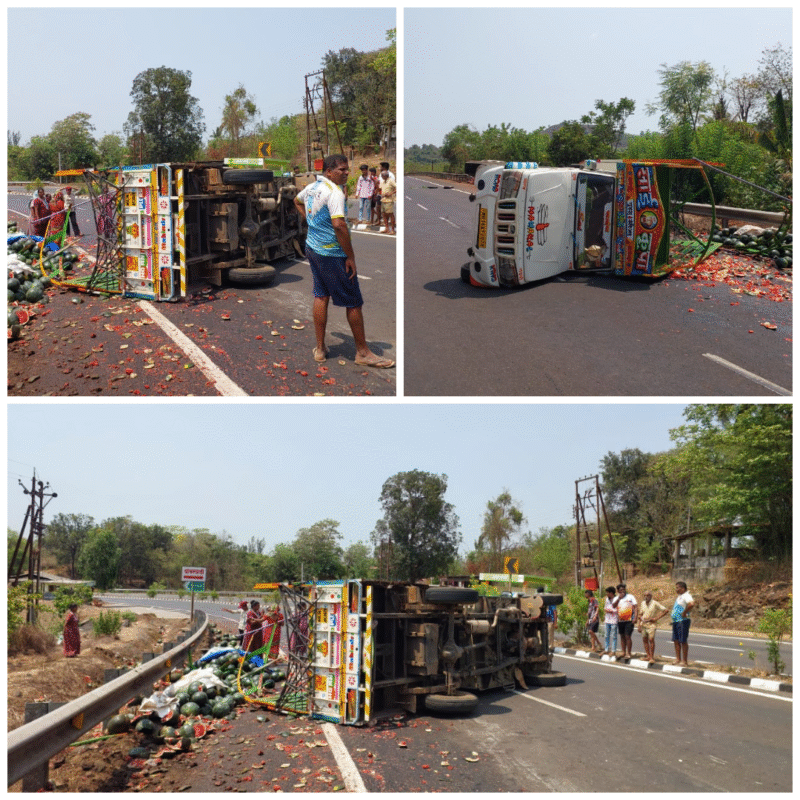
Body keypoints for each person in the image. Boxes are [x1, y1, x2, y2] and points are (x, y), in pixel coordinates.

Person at [293, 154, 394, 369]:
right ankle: (363, 352)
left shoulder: (312, 188)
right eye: (342, 169)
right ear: (329, 171)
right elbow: (339, 225)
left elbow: (297, 200)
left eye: (347, 169)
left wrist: (311, 223)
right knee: (353, 302)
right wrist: (350, 256)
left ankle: (320, 349)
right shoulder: (334, 192)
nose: (347, 172)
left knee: (321, 295)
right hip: (332, 254)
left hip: (313, 248)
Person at [638, 590, 668, 663]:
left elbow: (665, 610)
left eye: (648, 595)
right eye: (644, 595)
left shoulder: (655, 603)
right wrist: (639, 624)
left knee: (651, 640)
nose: (646, 597)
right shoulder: (642, 603)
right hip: (643, 624)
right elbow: (640, 614)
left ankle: (652, 657)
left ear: (651, 596)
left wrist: (655, 618)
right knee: (644, 640)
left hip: (651, 625)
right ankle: (648, 656)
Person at [671, 581, 695, 666]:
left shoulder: (686, 595)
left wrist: (685, 612)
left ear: (683, 588)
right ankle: (678, 659)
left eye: (678, 587)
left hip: (682, 621)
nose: (676, 589)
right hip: (676, 621)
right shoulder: (679, 597)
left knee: (683, 640)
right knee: (676, 640)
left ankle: (684, 661)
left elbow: (691, 604)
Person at [612, 583, 637, 659]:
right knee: (622, 636)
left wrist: (635, 617)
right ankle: (623, 652)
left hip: (629, 620)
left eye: (623, 589)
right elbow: (613, 606)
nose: (622, 591)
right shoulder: (616, 598)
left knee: (627, 636)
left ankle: (628, 653)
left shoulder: (630, 597)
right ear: (618, 591)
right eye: (620, 590)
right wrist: (619, 599)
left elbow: (635, 607)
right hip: (620, 621)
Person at [379, 170, 396, 235]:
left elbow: (396, 188)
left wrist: (390, 193)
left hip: (389, 200)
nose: (381, 177)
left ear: (385, 175)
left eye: (382, 175)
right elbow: (380, 188)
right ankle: (386, 228)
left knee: (390, 214)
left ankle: (392, 230)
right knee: (383, 214)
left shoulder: (391, 180)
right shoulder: (383, 181)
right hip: (383, 200)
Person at [603, 586, 618, 656]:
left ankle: (613, 650)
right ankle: (606, 649)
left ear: (611, 593)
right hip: (607, 620)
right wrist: (606, 610)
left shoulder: (616, 599)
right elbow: (605, 607)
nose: (607, 594)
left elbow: (618, 609)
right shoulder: (607, 599)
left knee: (614, 636)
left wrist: (611, 611)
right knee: (606, 635)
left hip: (614, 620)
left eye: (608, 593)